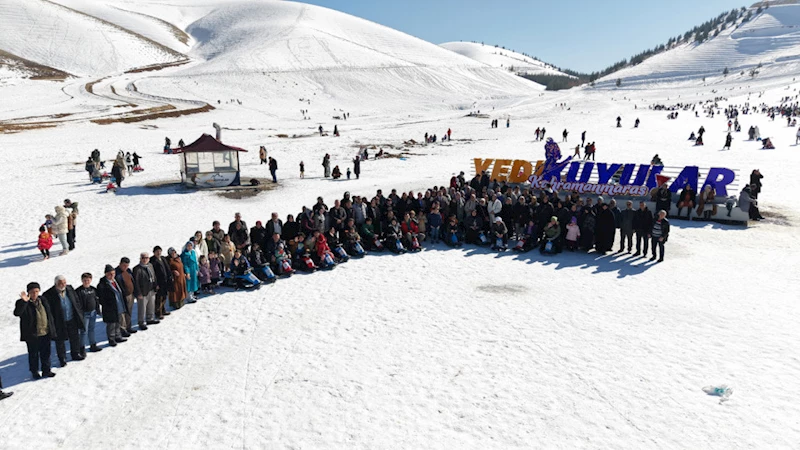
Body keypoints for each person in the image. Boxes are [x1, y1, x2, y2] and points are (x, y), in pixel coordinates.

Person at [15, 282, 58, 379]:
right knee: (33, 355)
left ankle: (46, 370)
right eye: (32, 292)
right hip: (32, 334)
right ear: (28, 292)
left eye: (36, 291)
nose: (34, 294)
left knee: (46, 353)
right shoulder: (22, 302)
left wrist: (52, 328)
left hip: (45, 332)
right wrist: (24, 302)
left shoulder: (43, 300)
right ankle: (34, 372)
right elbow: (17, 313)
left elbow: (49, 314)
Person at [42, 275, 85, 366]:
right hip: (59, 321)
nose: (63, 285)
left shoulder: (70, 289)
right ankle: (62, 358)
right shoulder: (48, 294)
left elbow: (76, 301)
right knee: (60, 341)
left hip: (71, 318)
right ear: (56, 284)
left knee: (74, 337)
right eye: (61, 283)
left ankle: (76, 353)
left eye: (64, 282)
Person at [97, 264, 126, 347]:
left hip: (118, 305)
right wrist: (108, 304)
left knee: (118, 322)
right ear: (106, 274)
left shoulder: (115, 281)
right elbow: (101, 298)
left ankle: (118, 336)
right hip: (109, 308)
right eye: (110, 274)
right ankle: (111, 339)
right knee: (111, 324)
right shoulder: (102, 285)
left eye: (113, 273)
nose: (112, 275)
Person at [75, 273, 102, 354]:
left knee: (91, 329)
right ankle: (81, 348)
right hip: (84, 314)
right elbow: (77, 304)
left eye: (88, 280)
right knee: (83, 331)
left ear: (91, 280)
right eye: (85, 280)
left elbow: (97, 300)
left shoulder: (93, 289)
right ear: (82, 280)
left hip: (93, 312)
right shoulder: (78, 291)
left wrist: (98, 310)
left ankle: (92, 344)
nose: (86, 282)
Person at [133, 252, 158, 330]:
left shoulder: (150, 265)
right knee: (142, 308)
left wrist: (156, 285)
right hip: (143, 292)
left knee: (151, 306)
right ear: (140, 259)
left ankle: (150, 319)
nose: (144, 259)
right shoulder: (137, 269)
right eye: (143, 258)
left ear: (149, 259)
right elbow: (136, 282)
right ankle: (141, 322)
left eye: (146, 258)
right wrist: (138, 293)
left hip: (151, 290)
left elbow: (154, 276)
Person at [115, 257, 137, 336]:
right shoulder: (115, 273)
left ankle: (128, 327)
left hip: (130, 295)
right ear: (120, 264)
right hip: (122, 297)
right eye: (124, 265)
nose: (125, 267)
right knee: (122, 314)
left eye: (127, 265)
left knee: (129, 312)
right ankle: (123, 330)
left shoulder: (128, 271)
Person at [150, 246, 173, 320]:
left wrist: (170, 276)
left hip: (165, 281)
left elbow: (167, 268)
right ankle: (158, 312)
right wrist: (155, 284)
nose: (158, 253)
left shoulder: (163, 258)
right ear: (154, 252)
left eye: (160, 251)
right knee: (159, 298)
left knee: (164, 296)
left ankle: (163, 310)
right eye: (157, 251)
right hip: (159, 282)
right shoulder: (152, 260)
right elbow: (152, 273)